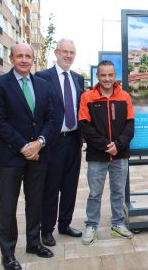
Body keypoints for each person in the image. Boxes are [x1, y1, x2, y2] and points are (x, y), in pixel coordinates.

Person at [0, 43, 55, 270]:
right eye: (20, 56)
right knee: (7, 206)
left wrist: (40, 143)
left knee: (35, 203)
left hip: (39, 154)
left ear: (33, 59)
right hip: (10, 155)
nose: (24, 60)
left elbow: (52, 119)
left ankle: (34, 243)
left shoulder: (44, 86)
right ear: (11, 58)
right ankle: (8, 254)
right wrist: (24, 146)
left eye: (28, 56)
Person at [78, 60, 135, 245]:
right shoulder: (87, 97)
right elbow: (84, 127)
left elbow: (130, 125)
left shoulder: (124, 96)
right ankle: (92, 225)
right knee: (95, 192)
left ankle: (118, 224)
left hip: (120, 154)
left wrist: (117, 145)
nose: (107, 78)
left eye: (110, 74)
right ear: (97, 76)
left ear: (115, 75)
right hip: (97, 155)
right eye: (103, 75)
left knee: (118, 192)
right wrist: (105, 145)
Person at [35, 38, 85, 246]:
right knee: (51, 187)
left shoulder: (78, 78)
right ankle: (47, 229)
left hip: (74, 141)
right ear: (56, 53)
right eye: (64, 51)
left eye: (72, 52)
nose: (68, 56)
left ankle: (65, 224)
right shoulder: (42, 77)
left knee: (70, 185)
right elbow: (39, 112)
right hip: (53, 142)